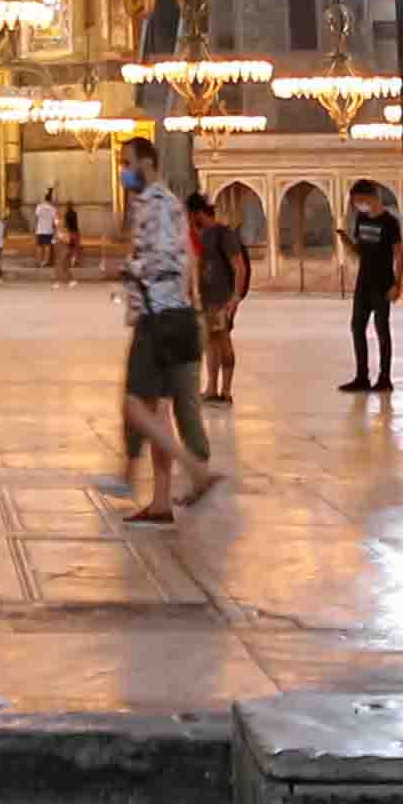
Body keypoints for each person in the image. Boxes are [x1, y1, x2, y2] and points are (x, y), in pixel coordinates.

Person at [109, 136, 220, 523]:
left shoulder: (156, 203)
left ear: (146, 163)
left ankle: (195, 470)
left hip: (158, 317)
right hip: (169, 312)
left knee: (134, 406)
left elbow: (166, 259)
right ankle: (160, 503)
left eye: (127, 163)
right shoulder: (159, 202)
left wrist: (129, 269)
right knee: (158, 412)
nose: (124, 171)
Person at [342, 179, 401, 392]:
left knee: (381, 329)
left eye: (358, 200)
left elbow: (399, 254)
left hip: (382, 282)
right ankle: (362, 377)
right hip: (363, 283)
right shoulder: (361, 218)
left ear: (370, 197)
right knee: (357, 327)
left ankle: (385, 379)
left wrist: (397, 284)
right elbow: (361, 251)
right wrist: (347, 243)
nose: (357, 205)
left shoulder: (390, 222)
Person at [193, 196, 249, 403]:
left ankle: (225, 391)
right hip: (208, 299)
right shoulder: (203, 235)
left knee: (223, 341)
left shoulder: (223, 234)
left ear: (198, 213)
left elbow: (239, 266)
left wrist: (235, 297)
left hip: (221, 299)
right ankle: (211, 388)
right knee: (211, 342)